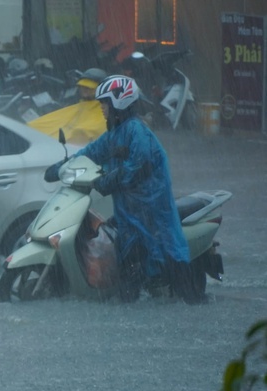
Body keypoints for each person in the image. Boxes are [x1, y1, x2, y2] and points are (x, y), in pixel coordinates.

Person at [44, 75, 204, 304]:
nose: (101, 108)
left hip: (152, 213)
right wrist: (60, 168)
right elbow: (90, 153)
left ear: (119, 102)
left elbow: (136, 168)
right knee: (127, 274)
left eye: (104, 103)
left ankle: (191, 302)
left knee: (171, 264)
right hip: (130, 214)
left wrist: (106, 181)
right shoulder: (114, 134)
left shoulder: (138, 132)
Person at [28, 67, 108, 145]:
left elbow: (93, 130)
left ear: (100, 89)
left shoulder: (103, 111)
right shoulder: (79, 106)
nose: (84, 89)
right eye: (83, 86)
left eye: (89, 87)